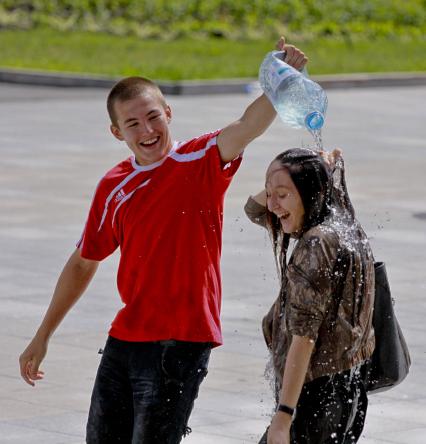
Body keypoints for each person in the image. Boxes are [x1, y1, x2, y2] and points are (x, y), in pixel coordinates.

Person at [18, 38, 308, 443]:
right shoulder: (114, 185)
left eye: (153, 117)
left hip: (181, 341)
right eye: (133, 124)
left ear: (168, 113)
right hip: (126, 337)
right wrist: (42, 335)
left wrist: (280, 82)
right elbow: (84, 261)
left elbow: (246, 127)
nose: (147, 130)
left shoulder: (199, 160)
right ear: (117, 132)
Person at [244, 148, 375, 444]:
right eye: (269, 193)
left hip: (313, 399)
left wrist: (283, 416)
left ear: (311, 191)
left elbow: (304, 338)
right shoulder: (343, 222)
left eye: (283, 194)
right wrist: (299, 171)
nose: (272, 204)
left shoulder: (317, 243)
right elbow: (252, 210)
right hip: (345, 393)